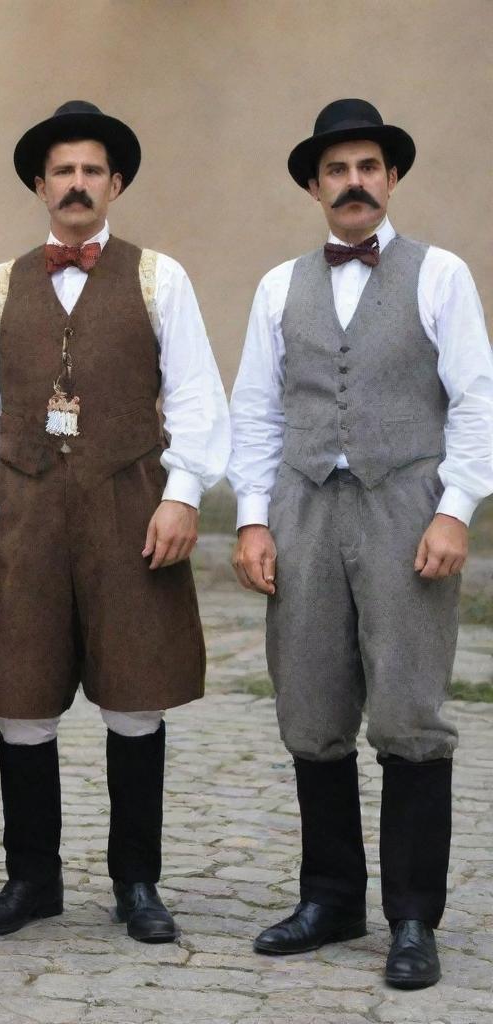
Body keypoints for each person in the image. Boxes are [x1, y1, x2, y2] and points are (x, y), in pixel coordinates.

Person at [229, 98, 493, 989]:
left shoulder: (440, 275)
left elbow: (478, 399)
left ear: (390, 179)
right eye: (338, 170)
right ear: (314, 185)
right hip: (304, 506)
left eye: (369, 167)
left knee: (410, 712)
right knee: (310, 704)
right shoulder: (279, 287)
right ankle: (331, 898)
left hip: (405, 506)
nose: (355, 183)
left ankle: (412, 917)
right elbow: (256, 412)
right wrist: (255, 518)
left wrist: (456, 508)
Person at [0, 101, 230, 943]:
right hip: (25, 513)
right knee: (20, 697)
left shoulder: (161, 278)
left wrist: (183, 493)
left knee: (134, 696)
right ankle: (31, 879)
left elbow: (195, 395)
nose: (76, 184)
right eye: (61, 172)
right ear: (40, 185)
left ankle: (136, 883)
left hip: (129, 507)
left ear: (114, 184)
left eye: (91, 171)